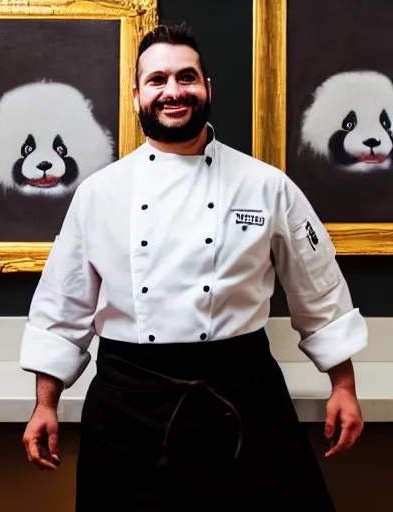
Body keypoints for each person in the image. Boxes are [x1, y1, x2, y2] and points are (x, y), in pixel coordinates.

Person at [20, 22, 367, 511]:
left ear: (207, 88)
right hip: (128, 406)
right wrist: (45, 404)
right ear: (137, 95)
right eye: (157, 80)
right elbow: (64, 306)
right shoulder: (99, 194)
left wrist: (344, 387)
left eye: (186, 77)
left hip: (242, 395)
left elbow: (319, 293)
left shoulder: (266, 186)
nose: (173, 91)